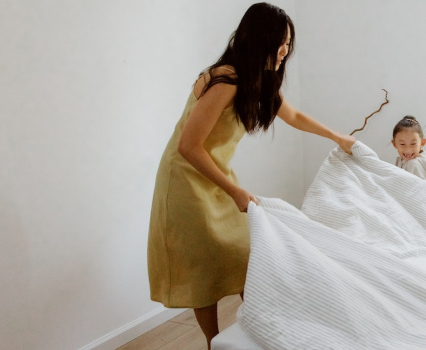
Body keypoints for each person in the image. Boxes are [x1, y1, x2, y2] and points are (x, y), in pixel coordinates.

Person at [146, 3, 355, 348]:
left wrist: (337, 137)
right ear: (260, 40)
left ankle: (262, 328)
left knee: (246, 254)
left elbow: (295, 116)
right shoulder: (227, 79)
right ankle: (216, 342)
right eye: (280, 42)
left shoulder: (259, 78)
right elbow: (188, 146)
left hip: (214, 175)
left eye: (289, 43)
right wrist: (235, 191)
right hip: (185, 180)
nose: (286, 50)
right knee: (203, 264)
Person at [391, 116, 426, 181]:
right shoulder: (400, 161)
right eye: (402, 144)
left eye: (413, 144)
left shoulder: (415, 165)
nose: (408, 149)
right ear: (395, 144)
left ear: (422, 143)